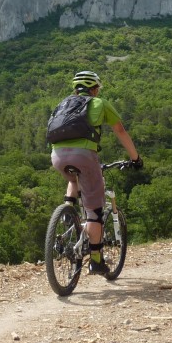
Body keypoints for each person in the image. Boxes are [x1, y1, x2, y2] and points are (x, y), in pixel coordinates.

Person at [50, 70, 142, 276]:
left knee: (74, 178)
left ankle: (67, 212)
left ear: (76, 89)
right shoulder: (99, 103)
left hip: (56, 155)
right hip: (84, 156)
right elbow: (120, 130)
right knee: (95, 212)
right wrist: (136, 158)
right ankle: (96, 261)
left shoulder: (64, 104)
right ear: (95, 89)